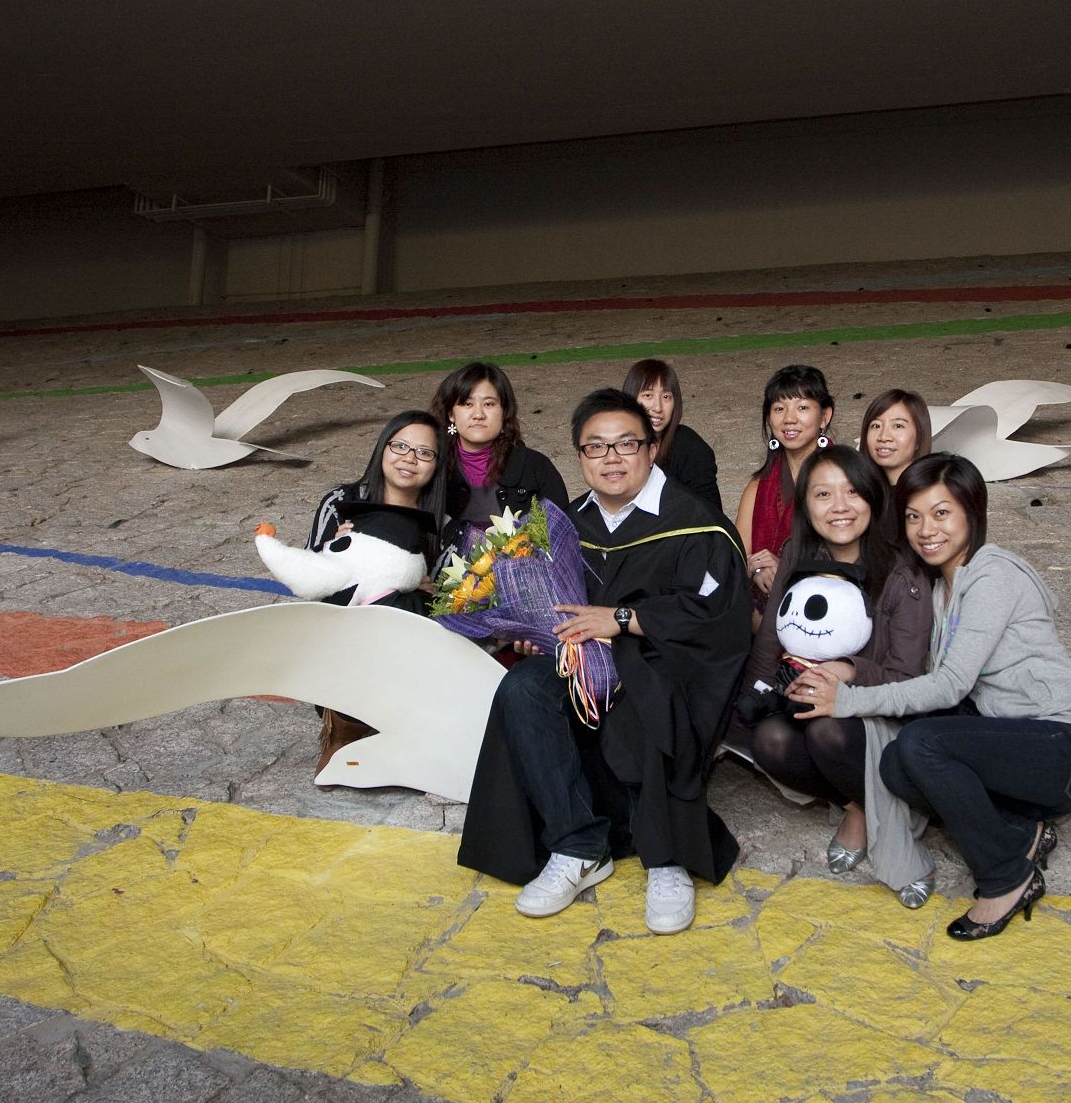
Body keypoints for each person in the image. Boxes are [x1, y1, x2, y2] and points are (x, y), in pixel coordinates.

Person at [458, 389, 752, 935]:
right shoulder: (566, 524)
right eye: (596, 447)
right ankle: (578, 845)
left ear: (652, 448)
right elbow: (553, 602)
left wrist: (622, 620)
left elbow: (717, 617)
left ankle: (667, 858)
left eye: (625, 444)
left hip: (666, 665)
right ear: (580, 456)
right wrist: (539, 633)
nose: (611, 458)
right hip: (582, 663)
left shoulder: (695, 524)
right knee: (523, 688)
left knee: (646, 682)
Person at [786, 453, 1071, 939]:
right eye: (913, 516)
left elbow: (950, 684)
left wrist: (847, 699)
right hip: (1009, 742)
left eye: (941, 513)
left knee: (922, 746)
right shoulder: (939, 590)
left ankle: (1007, 877)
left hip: (1068, 747)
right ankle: (1021, 833)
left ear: (972, 513)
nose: (926, 530)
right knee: (897, 764)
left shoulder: (993, 574)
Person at [742, 446, 934, 894]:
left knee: (827, 730)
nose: (839, 507)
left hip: (879, 713)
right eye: (823, 494)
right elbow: (770, 637)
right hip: (807, 701)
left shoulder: (901, 571)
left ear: (872, 497)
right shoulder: (797, 553)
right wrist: (754, 694)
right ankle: (857, 804)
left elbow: (908, 678)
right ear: (806, 506)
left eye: (852, 492)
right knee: (768, 740)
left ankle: (878, 817)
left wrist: (848, 672)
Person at [304, 408, 448, 774]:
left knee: (409, 603)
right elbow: (308, 581)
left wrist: (425, 590)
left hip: (407, 645)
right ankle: (342, 729)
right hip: (343, 634)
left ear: (436, 465)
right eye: (400, 446)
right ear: (383, 447)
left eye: (424, 453)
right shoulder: (342, 501)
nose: (409, 459)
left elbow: (446, 605)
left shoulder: (444, 525)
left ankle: (402, 728)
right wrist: (335, 554)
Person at [431, 362, 569, 549]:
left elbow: (561, 536)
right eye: (467, 404)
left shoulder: (536, 467)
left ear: (504, 411)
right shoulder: (431, 465)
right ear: (451, 414)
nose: (478, 414)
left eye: (489, 404)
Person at [734, 365, 834, 607]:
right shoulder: (757, 486)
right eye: (779, 408)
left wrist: (787, 570)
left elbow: (852, 558)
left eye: (802, 407)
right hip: (761, 614)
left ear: (825, 416)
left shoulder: (843, 480)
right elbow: (736, 558)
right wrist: (757, 570)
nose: (789, 419)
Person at [622, 358, 720, 512]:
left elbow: (711, 515)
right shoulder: (613, 445)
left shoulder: (691, 448)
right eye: (648, 395)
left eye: (666, 397)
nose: (658, 407)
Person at [858, 388, 933, 485]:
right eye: (876, 425)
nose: (883, 437)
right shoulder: (862, 491)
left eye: (898, 426)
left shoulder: (933, 492)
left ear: (919, 439)